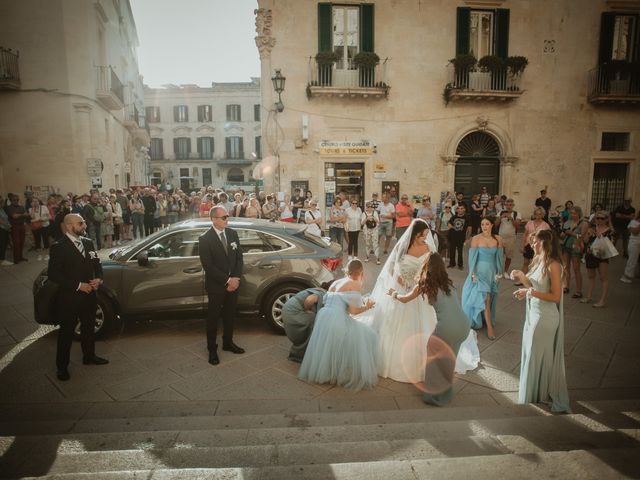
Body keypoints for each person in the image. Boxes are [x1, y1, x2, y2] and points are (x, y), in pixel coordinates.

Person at [390, 252, 471, 406]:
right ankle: (445, 393)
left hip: (447, 327)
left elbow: (405, 299)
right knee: (449, 360)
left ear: (426, 266)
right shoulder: (449, 283)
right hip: (463, 325)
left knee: (433, 358)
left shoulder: (425, 283)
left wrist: (394, 294)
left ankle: (433, 397)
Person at [512, 230, 571, 413]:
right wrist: (523, 280)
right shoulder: (539, 262)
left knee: (538, 357)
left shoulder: (554, 265)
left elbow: (555, 296)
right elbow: (534, 286)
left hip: (545, 318)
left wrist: (529, 293)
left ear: (546, 243)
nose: (533, 245)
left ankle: (540, 395)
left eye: (536, 242)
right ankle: (535, 395)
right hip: (535, 314)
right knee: (532, 355)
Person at [298, 259, 379, 391]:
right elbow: (354, 311)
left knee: (327, 346)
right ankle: (345, 372)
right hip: (336, 317)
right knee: (370, 336)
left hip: (324, 316)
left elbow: (336, 301)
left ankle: (327, 372)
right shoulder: (354, 283)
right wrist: (367, 306)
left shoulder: (336, 281)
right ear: (360, 272)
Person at [373, 219, 437, 383]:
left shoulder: (428, 249)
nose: (426, 238)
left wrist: (417, 284)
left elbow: (430, 272)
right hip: (402, 289)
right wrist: (401, 281)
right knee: (397, 326)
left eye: (427, 235)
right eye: (423, 235)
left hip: (419, 292)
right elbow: (391, 267)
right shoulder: (402, 247)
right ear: (415, 234)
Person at [48, 213, 109, 381]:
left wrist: (99, 279)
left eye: (83, 222)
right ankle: (62, 367)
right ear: (69, 226)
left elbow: (97, 264)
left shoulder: (88, 243)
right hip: (69, 298)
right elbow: (53, 274)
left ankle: (89, 357)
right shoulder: (58, 247)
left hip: (90, 296)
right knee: (66, 333)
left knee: (88, 328)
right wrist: (78, 285)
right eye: (80, 223)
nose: (84, 226)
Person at [198, 205, 245, 365]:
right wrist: (227, 281)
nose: (227, 220)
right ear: (213, 219)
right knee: (213, 318)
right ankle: (212, 348)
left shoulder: (232, 233)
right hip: (217, 286)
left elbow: (239, 258)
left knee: (230, 315)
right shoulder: (205, 239)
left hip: (234, 283)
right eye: (224, 217)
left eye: (227, 216)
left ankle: (228, 342)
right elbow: (208, 266)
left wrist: (236, 278)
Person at [461, 218, 504, 340]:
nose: (484, 226)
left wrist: (499, 272)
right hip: (479, 273)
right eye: (482, 224)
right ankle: (490, 328)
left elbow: (499, 258)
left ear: (492, 225)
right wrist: (473, 273)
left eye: (487, 224)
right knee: (486, 299)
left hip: (491, 273)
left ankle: (485, 319)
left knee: (489, 298)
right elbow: (472, 258)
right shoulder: (476, 239)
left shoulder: (498, 239)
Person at [282, 285, 328, 363]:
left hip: (287, 308)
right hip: (294, 311)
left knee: (313, 322)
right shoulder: (323, 293)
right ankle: (302, 354)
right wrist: (307, 310)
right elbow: (310, 299)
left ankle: (301, 351)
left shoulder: (316, 289)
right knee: (315, 324)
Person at [581, 212, 613, 307]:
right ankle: (589, 296)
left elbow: (611, 245)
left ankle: (603, 300)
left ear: (606, 219)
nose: (599, 220)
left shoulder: (610, 230)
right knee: (591, 276)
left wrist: (600, 235)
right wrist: (587, 233)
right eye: (597, 218)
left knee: (603, 278)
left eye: (601, 218)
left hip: (602, 256)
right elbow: (586, 241)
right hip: (591, 255)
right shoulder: (592, 228)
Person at [560, 206, 588, 297]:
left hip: (576, 248)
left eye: (574, 213)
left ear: (579, 213)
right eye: (571, 213)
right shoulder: (567, 222)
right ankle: (565, 286)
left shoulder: (584, 223)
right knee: (565, 267)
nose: (572, 215)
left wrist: (571, 233)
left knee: (576, 269)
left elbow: (582, 237)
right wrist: (563, 234)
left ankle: (578, 291)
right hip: (566, 246)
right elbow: (563, 236)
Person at [520, 207, 551, 283]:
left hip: (539, 247)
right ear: (534, 214)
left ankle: (535, 281)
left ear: (543, 215)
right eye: (536, 214)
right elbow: (525, 234)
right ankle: (522, 280)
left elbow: (548, 238)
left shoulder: (546, 225)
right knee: (525, 263)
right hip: (528, 245)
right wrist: (522, 245)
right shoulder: (529, 223)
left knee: (537, 264)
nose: (538, 215)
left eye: (540, 214)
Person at [496, 198, 521, 276]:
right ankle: (498, 271)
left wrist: (511, 219)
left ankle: (505, 271)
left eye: (510, 205)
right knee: (498, 255)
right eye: (507, 205)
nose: (508, 207)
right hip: (500, 237)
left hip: (511, 238)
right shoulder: (500, 212)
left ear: (513, 205)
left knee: (508, 256)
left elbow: (517, 226)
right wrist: (500, 217)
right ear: (505, 205)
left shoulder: (517, 214)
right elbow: (495, 224)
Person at [5, 193, 29, 263]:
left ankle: (20, 257)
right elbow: (14, 216)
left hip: (22, 225)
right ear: (11, 200)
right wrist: (22, 214)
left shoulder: (21, 207)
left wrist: (21, 215)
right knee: (16, 243)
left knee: (22, 242)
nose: (16, 201)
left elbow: (26, 215)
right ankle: (16, 259)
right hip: (14, 226)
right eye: (14, 200)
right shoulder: (9, 207)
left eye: (17, 200)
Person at [447, 204, 471, 269]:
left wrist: (467, 238)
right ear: (457, 210)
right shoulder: (453, 217)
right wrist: (451, 226)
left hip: (461, 237)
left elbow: (469, 229)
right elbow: (449, 223)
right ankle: (452, 264)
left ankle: (460, 265)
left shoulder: (467, 218)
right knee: (452, 251)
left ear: (464, 209)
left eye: (461, 208)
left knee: (460, 251)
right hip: (452, 236)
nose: (460, 210)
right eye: (458, 208)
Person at [621, 210, 640, 283]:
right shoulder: (633, 222)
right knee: (632, 260)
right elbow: (634, 232)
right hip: (634, 243)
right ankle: (626, 276)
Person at [0, 195, 12, 266]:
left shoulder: (1, 209)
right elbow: (1, 221)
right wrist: (8, 226)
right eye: (3, 201)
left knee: (4, 244)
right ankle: (2, 260)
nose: (4, 203)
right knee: (2, 244)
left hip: (5, 229)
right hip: (2, 229)